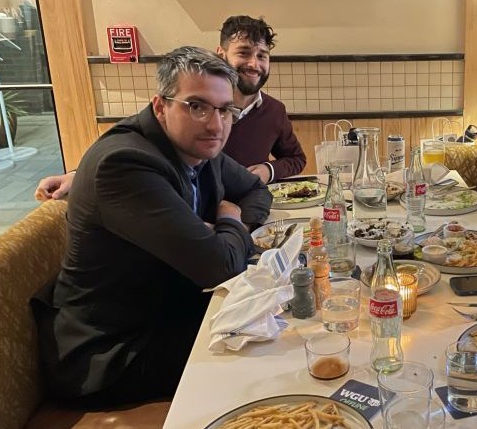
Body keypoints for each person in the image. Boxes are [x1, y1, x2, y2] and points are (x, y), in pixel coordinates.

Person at [31, 46, 272, 407]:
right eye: (197, 106)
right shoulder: (126, 164)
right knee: (265, 364)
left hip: (169, 308)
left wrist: (225, 230)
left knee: (280, 323)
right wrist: (229, 221)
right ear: (161, 107)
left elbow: (255, 190)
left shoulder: (197, 148)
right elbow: (219, 268)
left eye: (225, 110)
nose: (214, 123)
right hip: (112, 350)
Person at [34, 15, 306, 201]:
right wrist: (77, 175)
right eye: (244, 53)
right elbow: (136, 142)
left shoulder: (274, 111)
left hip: (244, 201)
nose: (254, 64)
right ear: (221, 55)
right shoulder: (185, 104)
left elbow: (296, 158)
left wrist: (266, 170)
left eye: (262, 56)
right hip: (193, 212)